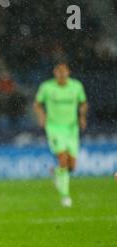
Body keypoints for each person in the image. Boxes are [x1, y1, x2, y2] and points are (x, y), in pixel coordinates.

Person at [34, 63, 88, 207]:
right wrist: (41, 117)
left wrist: (82, 117)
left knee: (72, 166)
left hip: (72, 128)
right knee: (63, 159)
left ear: (68, 72)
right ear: (55, 73)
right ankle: (65, 196)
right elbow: (37, 104)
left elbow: (83, 103)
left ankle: (57, 172)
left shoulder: (76, 86)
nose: (62, 74)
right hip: (55, 128)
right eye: (59, 72)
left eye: (64, 72)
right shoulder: (47, 87)